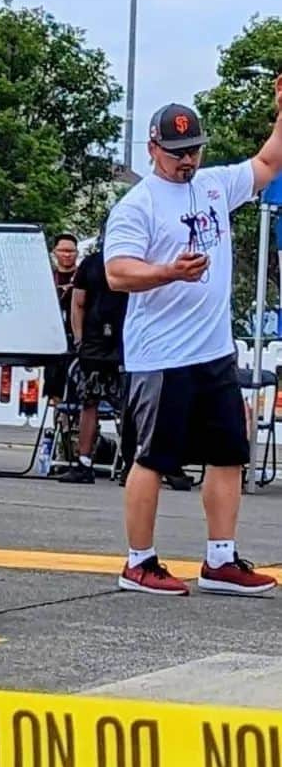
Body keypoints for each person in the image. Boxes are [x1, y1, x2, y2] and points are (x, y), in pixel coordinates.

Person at [105, 88, 282, 597]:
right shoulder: (137, 205)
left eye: (195, 150)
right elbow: (118, 273)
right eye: (177, 152)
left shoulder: (214, 186)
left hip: (212, 350)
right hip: (161, 353)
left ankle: (220, 559)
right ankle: (139, 560)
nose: (188, 160)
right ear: (152, 149)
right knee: (154, 458)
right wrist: (167, 272)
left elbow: (269, 161)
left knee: (229, 451)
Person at [58, 222, 127, 485]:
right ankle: (83, 461)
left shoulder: (135, 264)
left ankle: (131, 463)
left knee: (128, 407)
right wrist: (79, 338)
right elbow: (78, 302)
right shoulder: (91, 264)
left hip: (124, 346)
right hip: (94, 346)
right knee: (89, 403)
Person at [43, 232, 79, 404]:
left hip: (78, 339)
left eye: (71, 251)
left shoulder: (83, 276)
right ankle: (59, 421)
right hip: (53, 338)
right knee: (54, 389)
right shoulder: (47, 278)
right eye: (63, 250)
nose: (67, 254)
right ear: (54, 252)